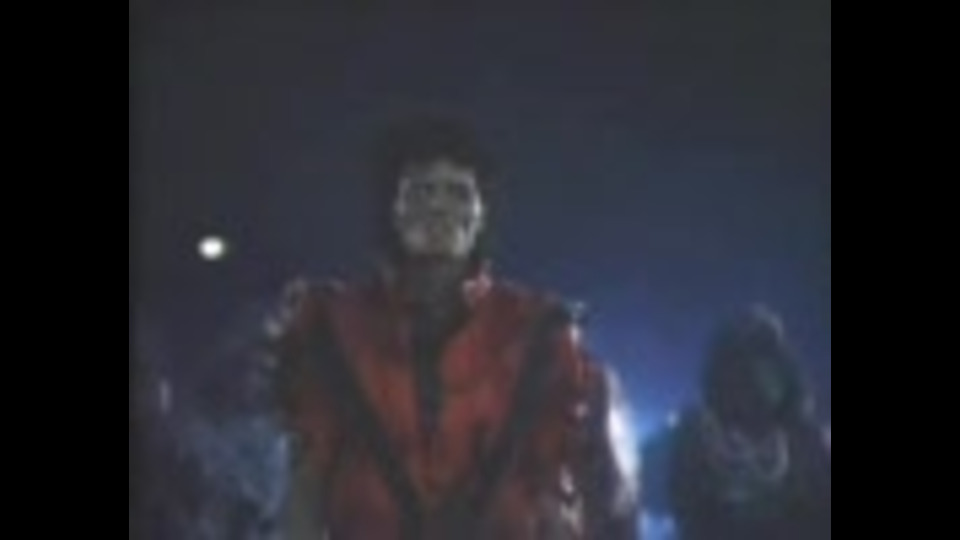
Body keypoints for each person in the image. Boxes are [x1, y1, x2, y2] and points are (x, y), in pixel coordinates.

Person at [269, 115, 638, 540]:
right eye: (422, 191)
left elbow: (563, 481)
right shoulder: (335, 325)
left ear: (481, 213)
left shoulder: (537, 330)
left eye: (459, 192)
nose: (440, 207)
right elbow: (307, 480)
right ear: (392, 208)